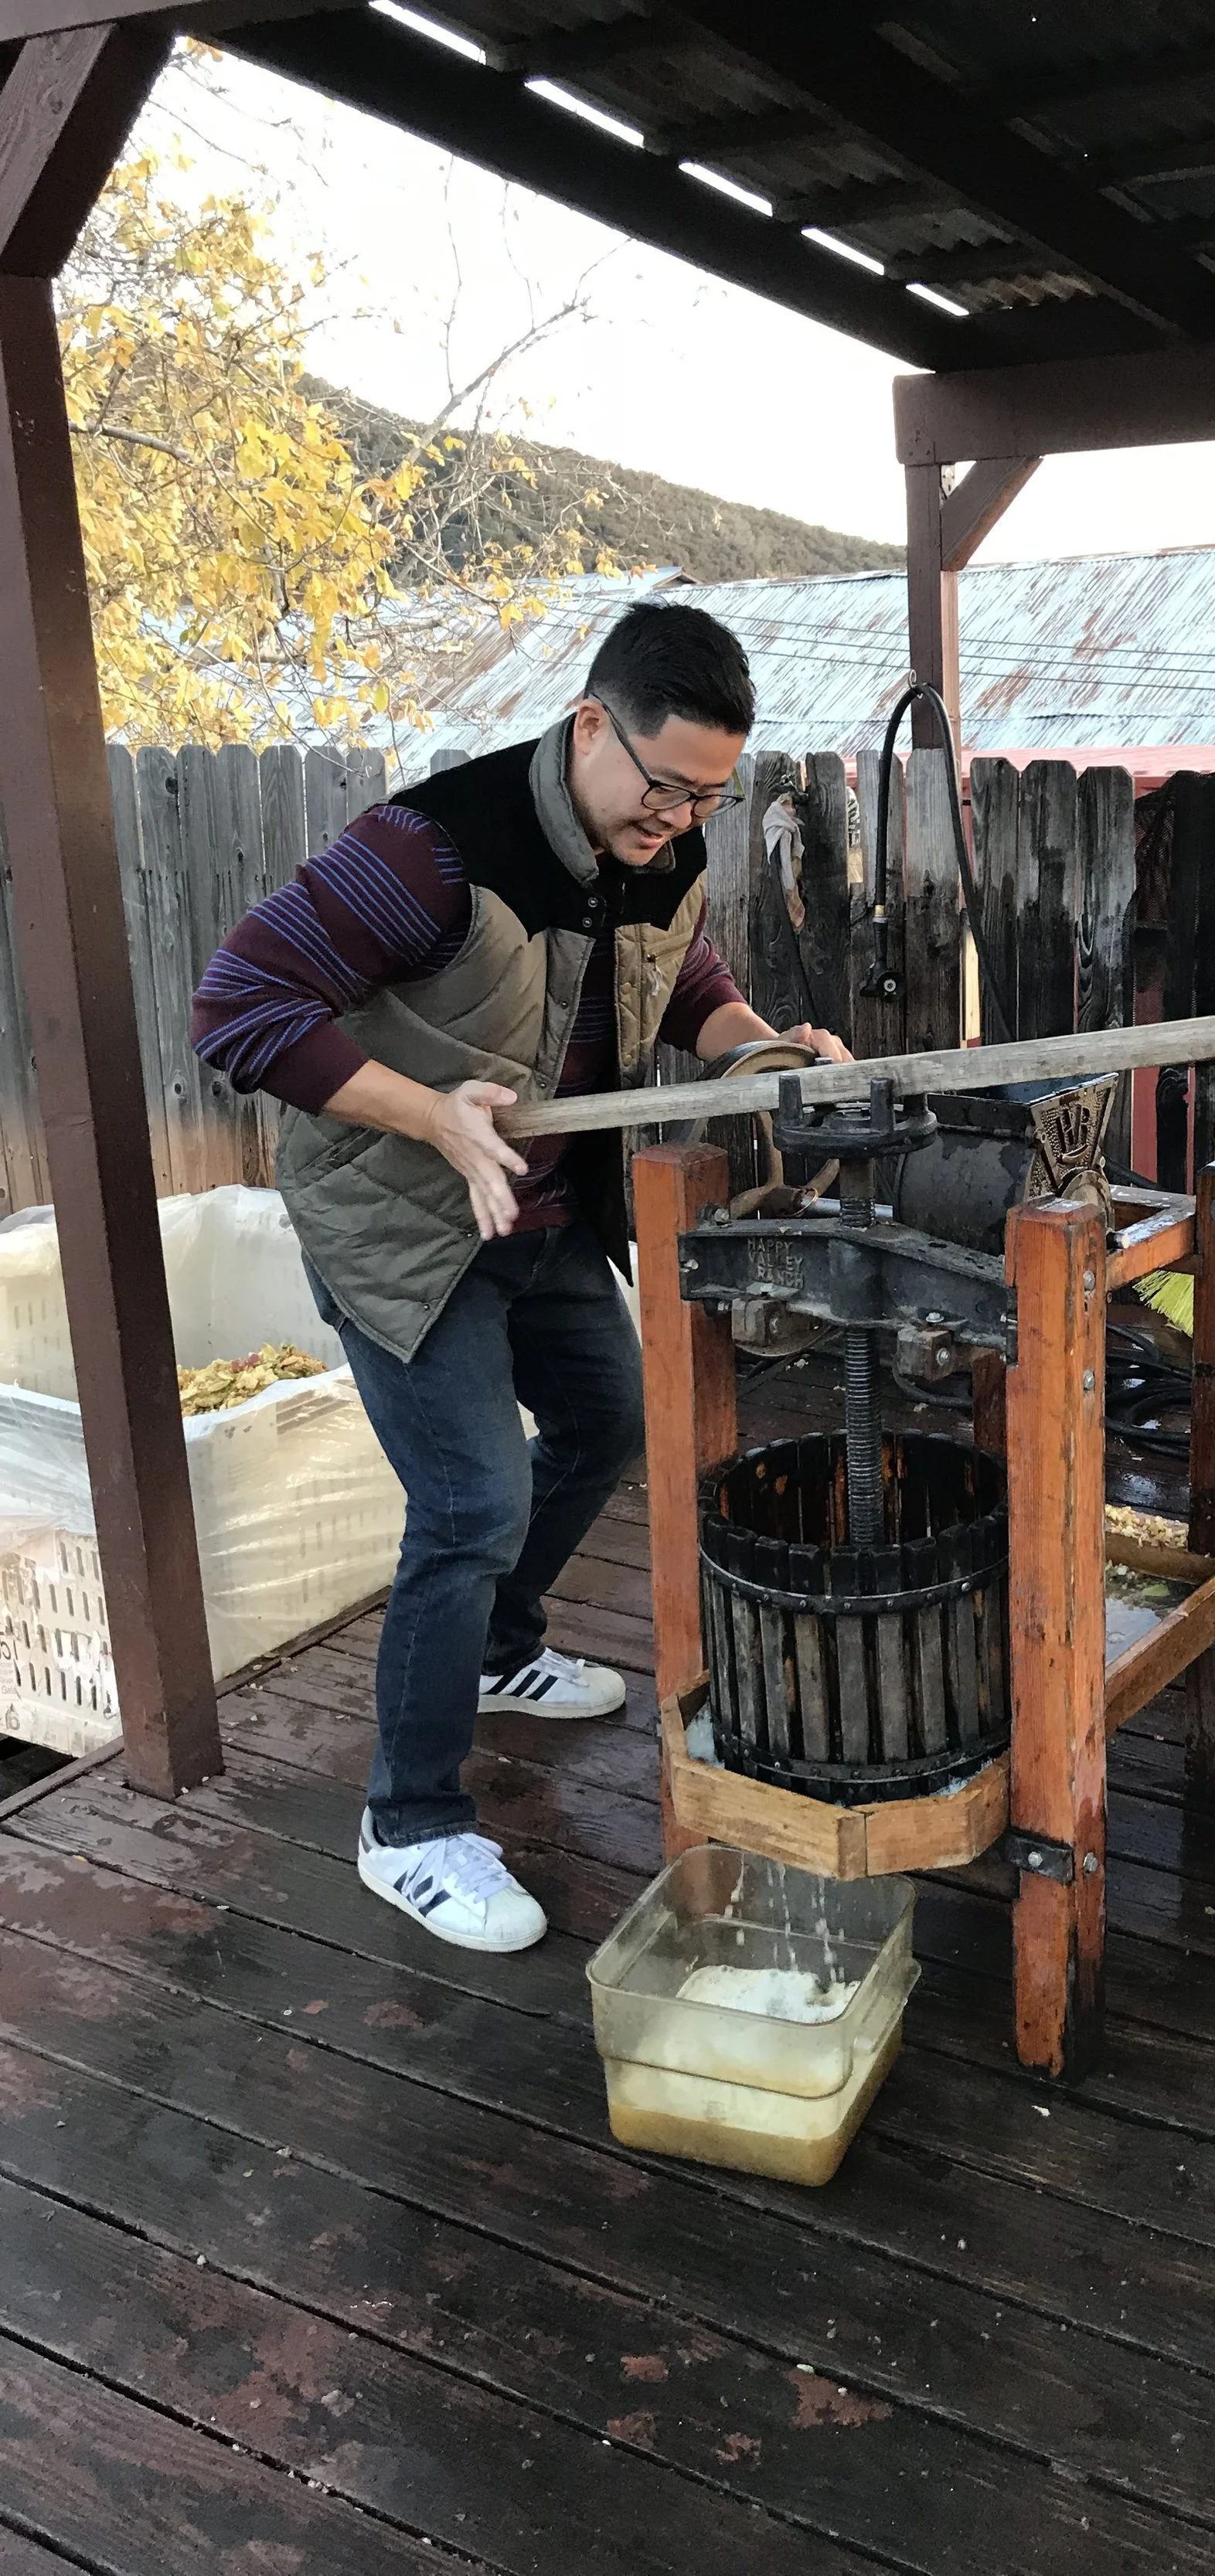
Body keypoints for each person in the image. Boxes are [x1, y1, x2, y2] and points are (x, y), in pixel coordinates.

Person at [193, 601, 849, 1954]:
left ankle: (497, 1651)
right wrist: (432, 1114)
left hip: (542, 1218)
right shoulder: (435, 848)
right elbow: (238, 1004)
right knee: (471, 1501)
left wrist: (757, 1055)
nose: (679, 818)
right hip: (402, 1227)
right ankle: (411, 1825)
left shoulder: (665, 842)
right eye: (663, 785)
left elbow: (685, 983)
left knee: (608, 1418)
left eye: (708, 796)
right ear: (591, 725)